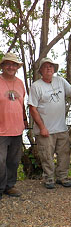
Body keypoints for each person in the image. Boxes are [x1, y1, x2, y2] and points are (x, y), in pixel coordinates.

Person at [28, 57, 71, 189]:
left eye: (51, 66)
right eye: (45, 66)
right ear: (40, 70)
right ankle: (49, 178)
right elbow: (32, 108)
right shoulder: (36, 86)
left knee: (64, 154)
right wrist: (42, 127)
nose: (49, 68)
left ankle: (62, 177)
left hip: (61, 127)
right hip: (45, 130)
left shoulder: (61, 81)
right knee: (46, 156)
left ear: (54, 69)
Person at [0, 53, 27, 200]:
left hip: (17, 128)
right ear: (3, 66)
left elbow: (21, 103)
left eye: (14, 64)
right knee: (0, 160)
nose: (11, 67)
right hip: (1, 129)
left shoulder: (20, 83)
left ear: (17, 67)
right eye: (7, 64)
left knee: (13, 160)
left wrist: (24, 118)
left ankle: (10, 186)